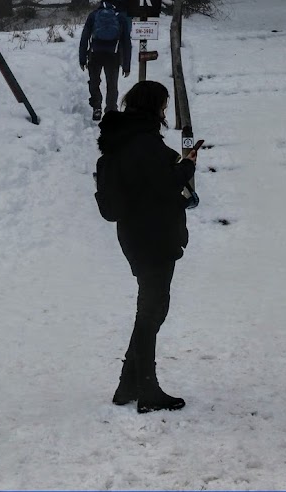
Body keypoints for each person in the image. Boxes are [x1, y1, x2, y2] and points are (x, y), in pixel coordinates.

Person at [97, 80, 200, 413]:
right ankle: (147, 390)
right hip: (152, 235)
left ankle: (129, 385)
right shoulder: (144, 143)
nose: (165, 110)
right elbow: (164, 184)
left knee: (151, 309)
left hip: (135, 233)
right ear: (155, 106)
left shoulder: (126, 139)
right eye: (163, 104)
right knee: (152, 310)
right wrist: (187, 164)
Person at [79, 1, 131, 121]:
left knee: (94, 81)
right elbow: (126, 42)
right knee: (112, 84)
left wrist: (82, 59)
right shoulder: (120, 17)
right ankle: (111, 110)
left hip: (95, 55)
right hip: (113, 55)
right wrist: (126, 65)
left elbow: (85, 38)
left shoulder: (93, 15)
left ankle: (97, 107)